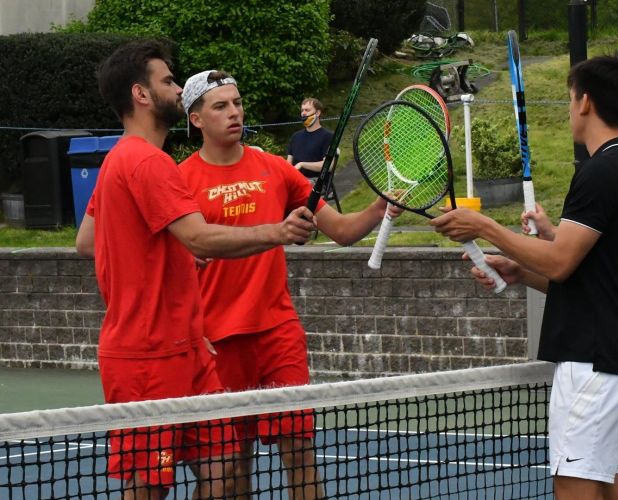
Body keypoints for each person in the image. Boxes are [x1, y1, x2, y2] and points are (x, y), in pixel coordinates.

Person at [75, 41, 314, 500]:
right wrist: (278, 232)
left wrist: (168, 249)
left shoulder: (123, 162)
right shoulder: (147, 161)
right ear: (141, 95)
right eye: (167, 81)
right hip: (146, 360)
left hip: (188, 350)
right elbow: (201, 237)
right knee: (152, 483)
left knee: (223, 465)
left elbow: (87, 240)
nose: (177, 88)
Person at [430, 53, 618, 500]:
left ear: (585, 103)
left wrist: (484, 227)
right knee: (615, 491)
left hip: (596, 366)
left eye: (570, 97)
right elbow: (592, 279)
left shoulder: (602, 171)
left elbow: (559, 261)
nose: (569, 106)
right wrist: (519, 271)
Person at [178, 70, 399, 499]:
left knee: (299, 452)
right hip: (215, 342)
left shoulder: (275, 169)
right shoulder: (179, 180)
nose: (234, 112)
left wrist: (378, 208)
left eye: (237, 103)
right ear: (196, 118)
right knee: (226, 470)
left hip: (277, 334)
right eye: (220, 106)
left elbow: (342, 231)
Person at [285, 97, 333, 183]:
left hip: (316, 182)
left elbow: (329, 166)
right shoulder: (295, 136)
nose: (303, 113)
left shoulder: (328, 136)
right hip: (295, 181)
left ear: (317, 113)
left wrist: (302, 164)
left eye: (307, 110)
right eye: (302, 110)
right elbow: (288, 164)